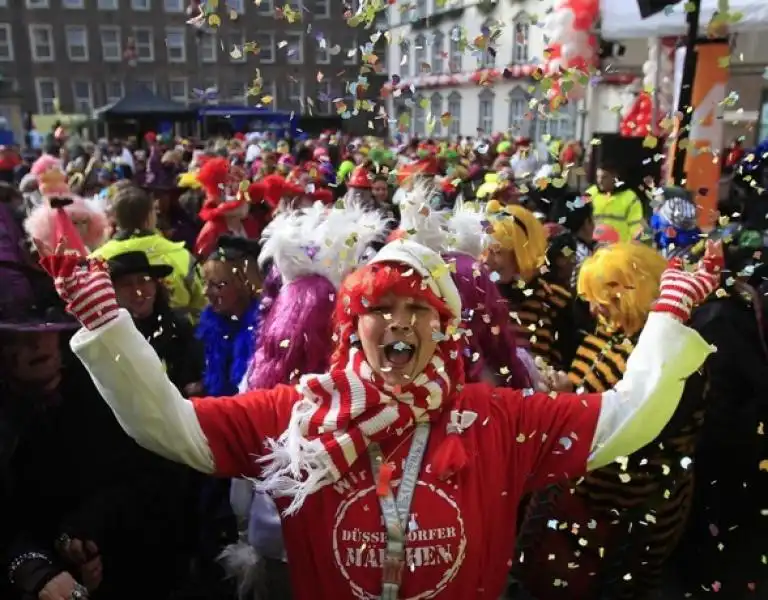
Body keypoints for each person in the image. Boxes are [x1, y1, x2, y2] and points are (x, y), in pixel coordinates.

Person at [38, 229, 721, 600]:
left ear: (444, 326)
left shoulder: (495, 417)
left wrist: (664, 319)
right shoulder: (300, 412)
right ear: (353, 325)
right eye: (381, 310)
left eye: (418, 308)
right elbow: (172, 429)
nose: (400, 323)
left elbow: (621, 420)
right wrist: (110, 327)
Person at [91, 184, 207, 319]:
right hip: (178, 335)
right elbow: (203, 302)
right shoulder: (180, 255)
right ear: (150, 217)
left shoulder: (96, 260)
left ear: (115, 218)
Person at [108, 249, 203, 395]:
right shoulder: (108, 337)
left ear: (155, 286)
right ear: (113, 292)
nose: (138, 291)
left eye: (144, 280)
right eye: (126, 284)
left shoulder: (181, 328)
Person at [586, 160, 645, 243]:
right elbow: (578, 214)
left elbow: (635, 225)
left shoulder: (630, 197)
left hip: (619, 249)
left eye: (604, 177)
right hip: (595, 248)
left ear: (615, 177)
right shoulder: (590, 193)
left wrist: (636, 244)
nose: (599, 181)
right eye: (598, 177)